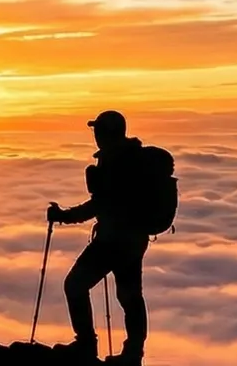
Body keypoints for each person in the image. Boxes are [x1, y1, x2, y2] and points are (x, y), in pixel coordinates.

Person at [47, 110, 150, 365]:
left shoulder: (116, 162)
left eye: (98, 130)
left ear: (106, 133)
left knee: (75, 285)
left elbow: (100, 204)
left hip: (112, 242)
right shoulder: (132, 158)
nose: (95, 135)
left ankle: (86, 345)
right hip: (134, 241)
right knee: (130, 296)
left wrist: (64, 216)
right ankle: (132, 354)